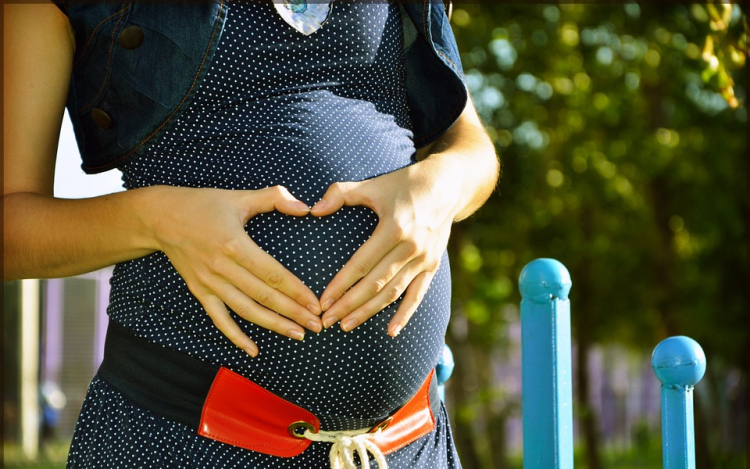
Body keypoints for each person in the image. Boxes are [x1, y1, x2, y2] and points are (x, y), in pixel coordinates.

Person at [4, 0, 500, 467]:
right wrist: (156, 217)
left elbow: (470, 147)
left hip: (405, 447)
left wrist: (444, 184)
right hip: (179, 440)